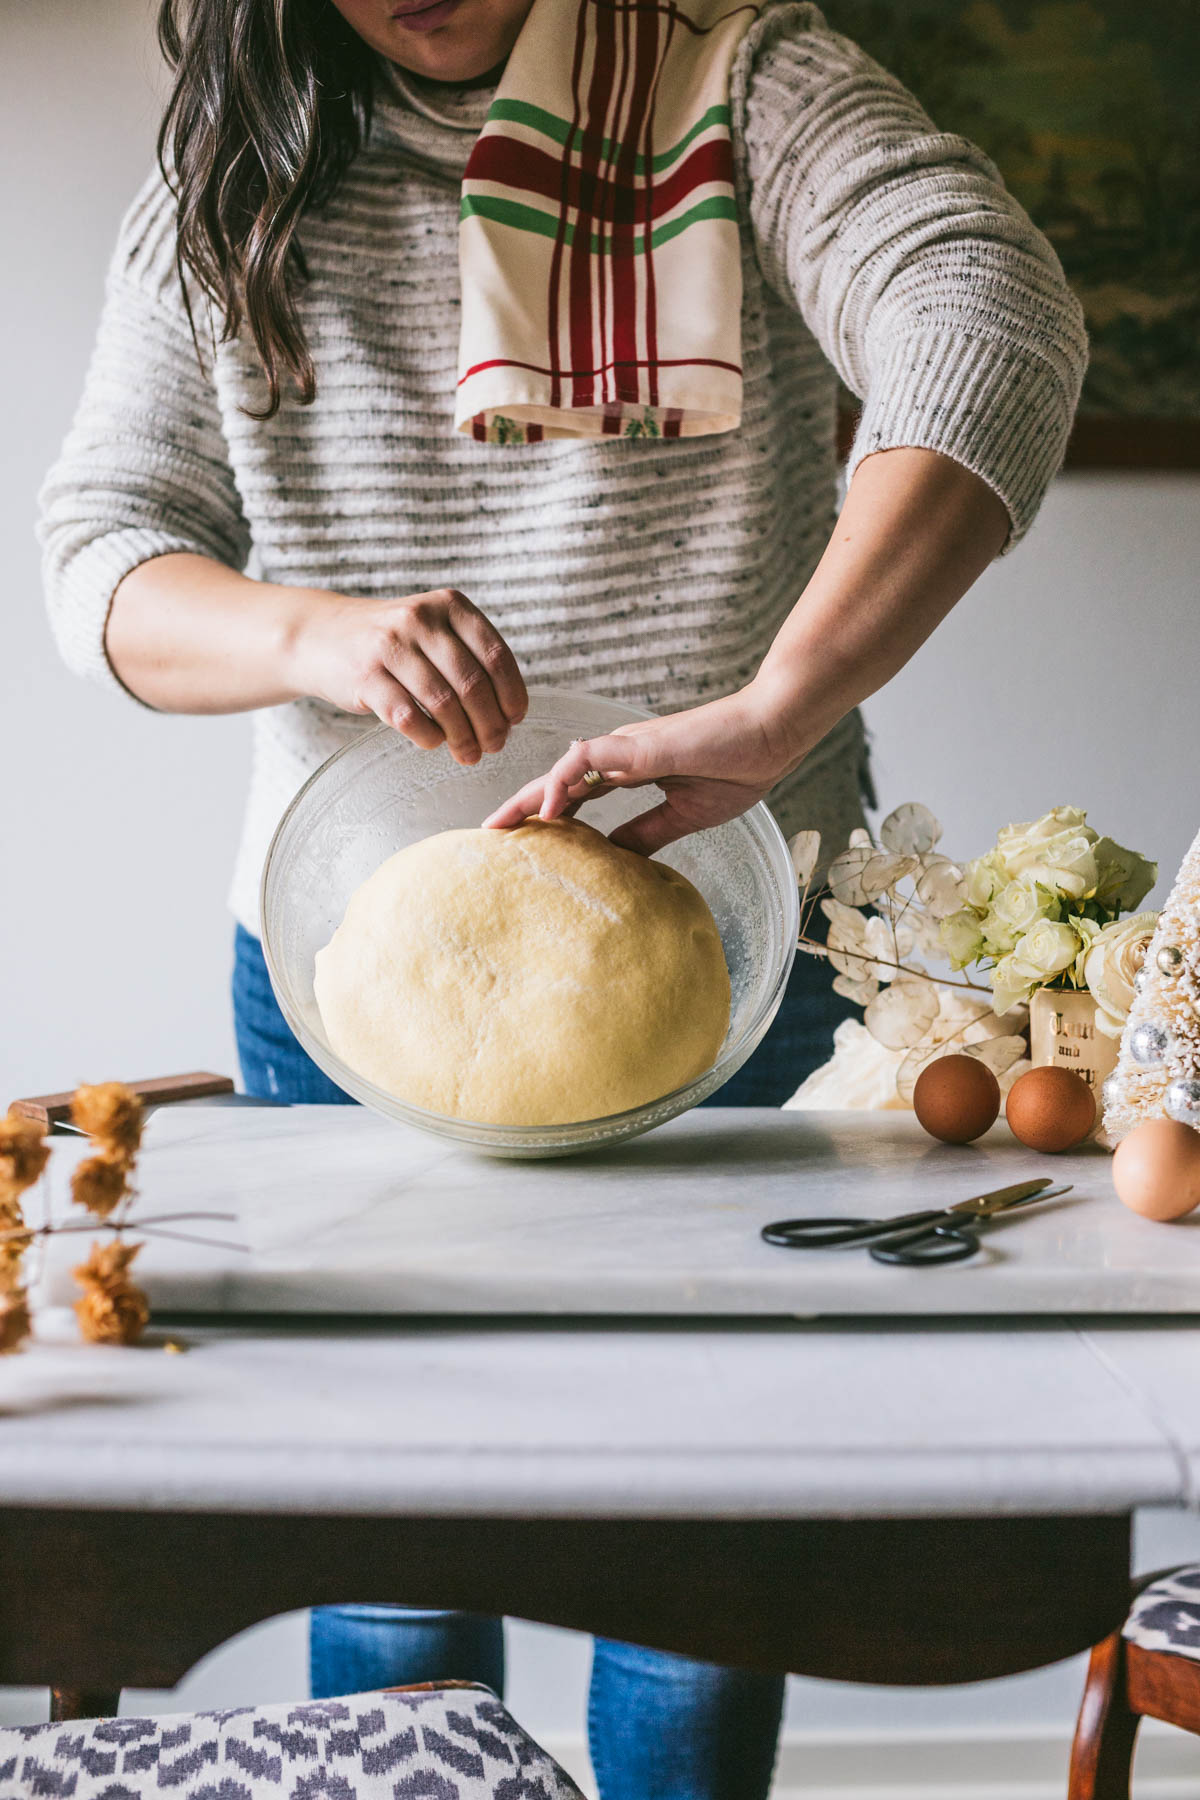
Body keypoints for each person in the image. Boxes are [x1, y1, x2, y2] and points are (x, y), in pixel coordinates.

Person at [38, 0, 1086, 1789]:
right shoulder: (234, 174)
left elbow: (989, 317)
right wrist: (321, 630)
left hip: (740, 956)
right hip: (349, 983)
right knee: (390, 1559)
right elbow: (100, 554)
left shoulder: (745, 86)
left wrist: (778, 711)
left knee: (695, 1559)